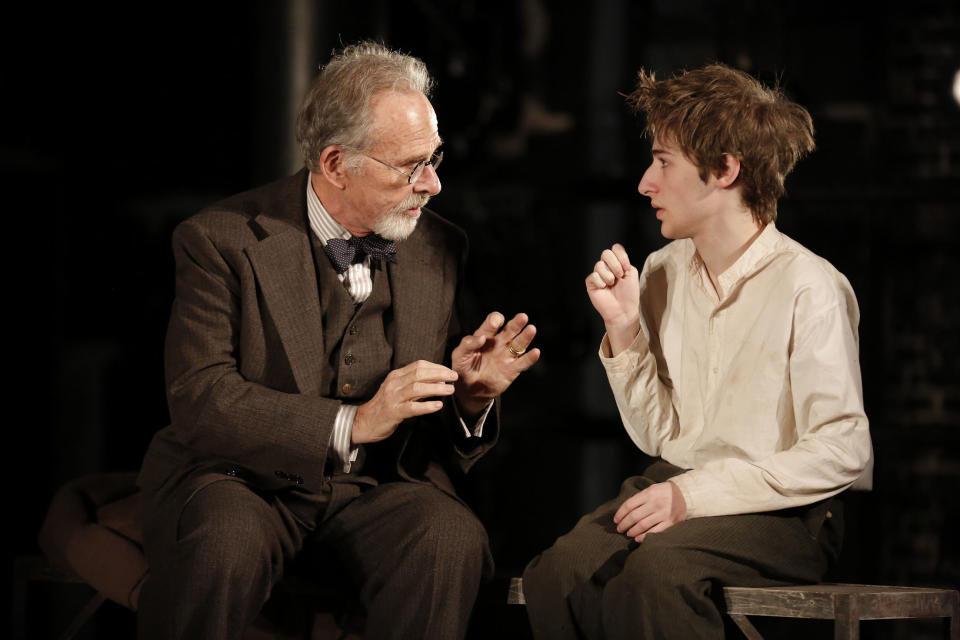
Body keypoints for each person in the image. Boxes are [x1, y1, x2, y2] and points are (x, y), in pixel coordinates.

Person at [135, 41, 540, 640]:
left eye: (435, 158)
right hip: (241, 479)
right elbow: (201, 399)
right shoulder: (220, 239)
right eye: (410, 166)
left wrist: (470, 397)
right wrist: (351, 423)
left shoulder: (437, 245)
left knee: (449, 538)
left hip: (374, 488)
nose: (432, 184)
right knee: (224, 544)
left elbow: (430, 424)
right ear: (334, 163)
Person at [522, 63, 872, 639]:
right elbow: (662, 436)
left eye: (663, 162)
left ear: (725, 170)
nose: (645, 183)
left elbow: (842, 449)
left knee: (659, 575)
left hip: (786, 512)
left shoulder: (810, 286)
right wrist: (626, 330)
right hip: (675, 484)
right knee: (560, 573)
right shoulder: (661, 273)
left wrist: (694, 494)